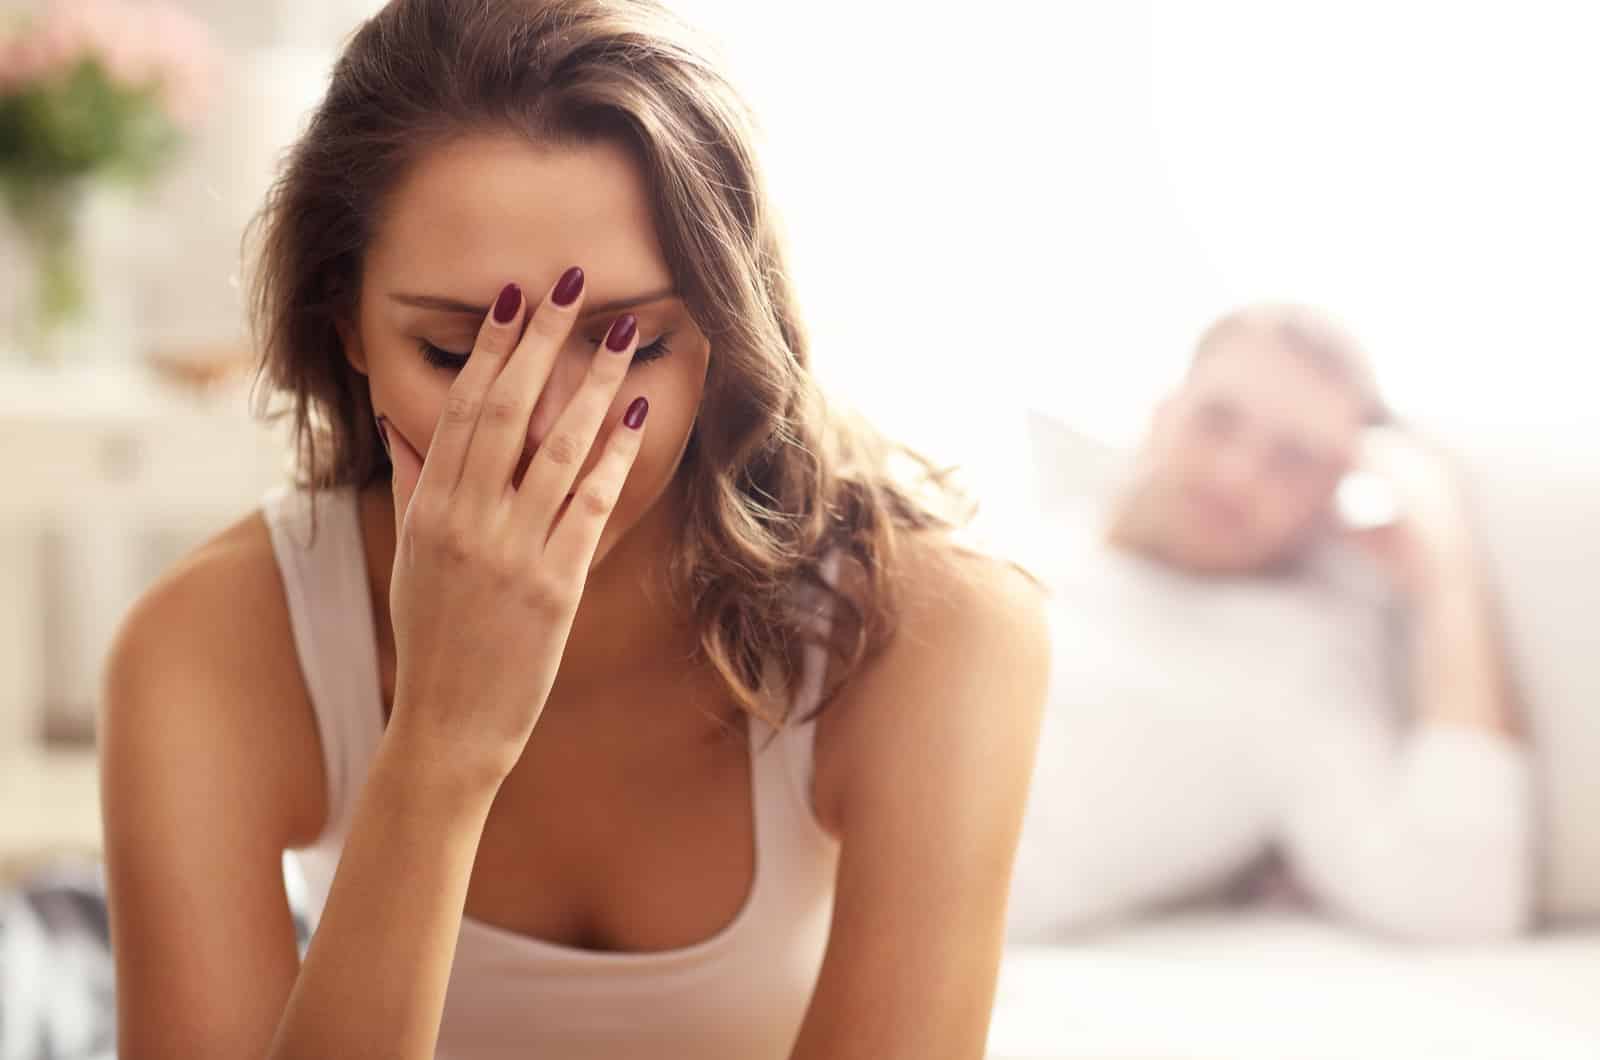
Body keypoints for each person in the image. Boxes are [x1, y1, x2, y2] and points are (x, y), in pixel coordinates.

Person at [96, 2, 1050, 1057]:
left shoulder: (930, 632)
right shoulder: (208, 644)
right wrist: (442, 745)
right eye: (460, 356)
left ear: (725, 337)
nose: (547, 434)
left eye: (629, 344)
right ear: (349, 331)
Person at [1006, 303, 1533, 944]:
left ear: (1335, 492)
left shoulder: (1293, 662)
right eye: (1216, 420)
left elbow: (1461, 897)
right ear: (1164, 409)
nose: (1235, 474)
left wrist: (1447, 575)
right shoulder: (1023, 534)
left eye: (1294, 458)